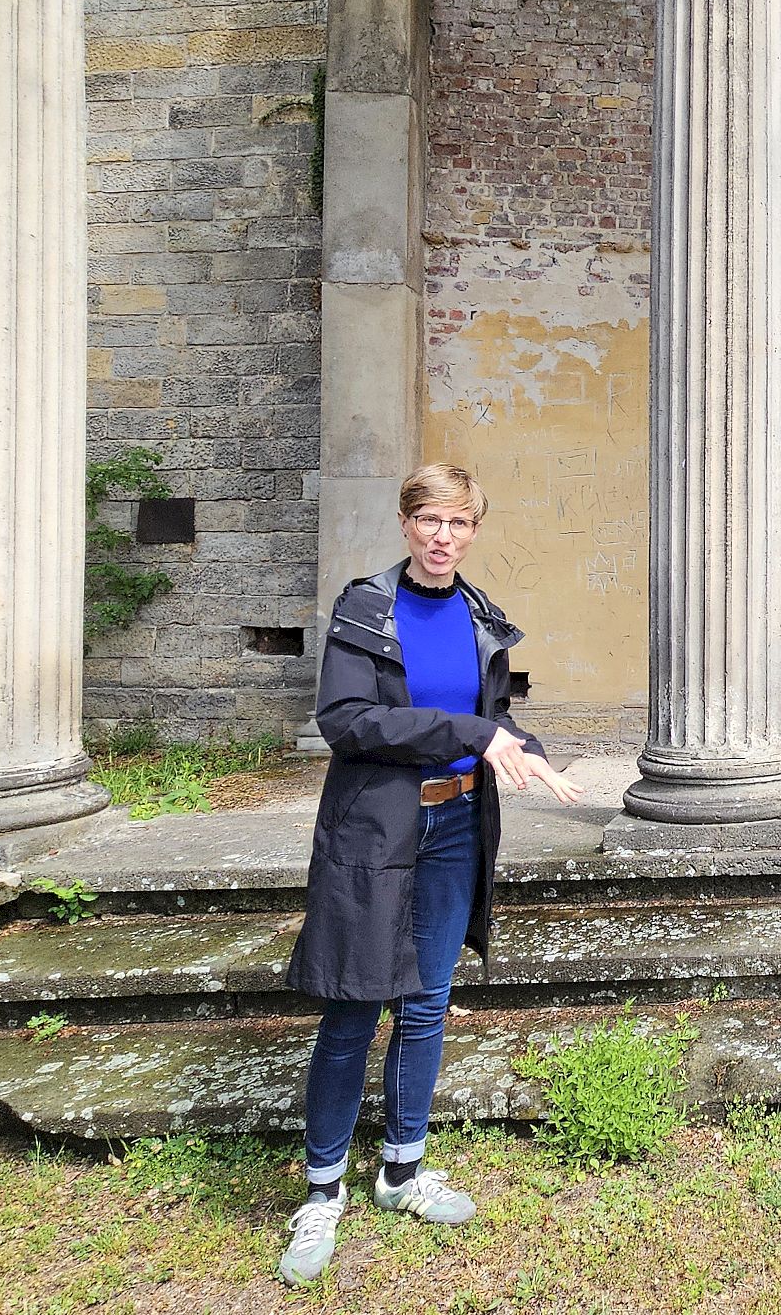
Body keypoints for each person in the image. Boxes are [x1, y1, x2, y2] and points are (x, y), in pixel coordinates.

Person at [277, 463, 583, 1287]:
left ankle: (401, 1171)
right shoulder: (366, 608)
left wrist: (523, 748)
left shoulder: (480, 616)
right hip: (378, 827)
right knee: (354, 1003)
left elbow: (492, 718)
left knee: (425, 1002)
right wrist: (469, 733)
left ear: (474, 530)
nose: (443, 537)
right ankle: (323, 1191)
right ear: (407, 524)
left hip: (455, 827)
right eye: (430, 520)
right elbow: (347, 721)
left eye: (459, 523)